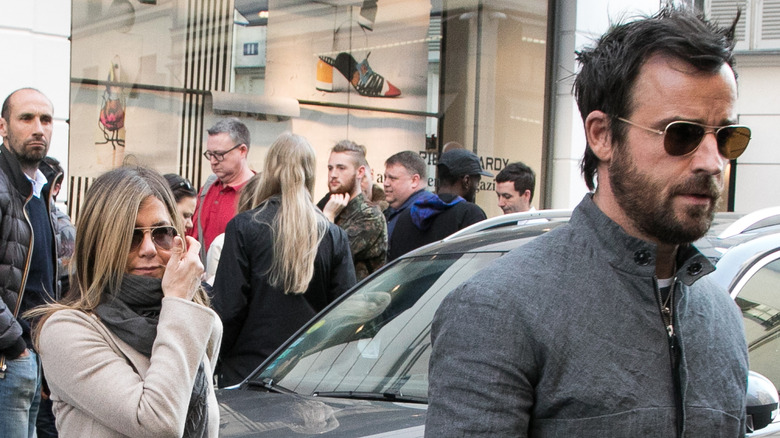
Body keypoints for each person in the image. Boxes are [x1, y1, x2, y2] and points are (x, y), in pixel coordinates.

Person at [426, 6, 752, 436]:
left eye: (727, 137)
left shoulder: (722, 316)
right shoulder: (499, 309)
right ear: (601, 135)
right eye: (682, 134)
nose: (713, 162)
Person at [32, 166, 222, 437]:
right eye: (130, 236)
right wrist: (179, 303)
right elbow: (159, 423)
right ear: (100, 243)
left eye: (161, 233)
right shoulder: (66, 330)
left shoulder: (194, 318)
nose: (148, 249)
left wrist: (181, 305)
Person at [213, 133, 356, 387]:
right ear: (311, 173)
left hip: (248, 372)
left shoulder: (244, 227)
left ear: (270, 170)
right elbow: (344, 316)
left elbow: (228, 309)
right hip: (308, 374)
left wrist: (219, 359)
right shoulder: (334, 236)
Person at [0, 88, 60, 438]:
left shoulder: (39, 190)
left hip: (33, 357)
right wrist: (16, 345)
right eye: (27, 118)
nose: (38, 128)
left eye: (46, 120)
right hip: (10, 358)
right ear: (3, 127)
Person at [388, 148, 490, 260]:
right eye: (477, 181)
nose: (477, 187)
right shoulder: (470, 214)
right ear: (466, 181)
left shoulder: (407, 215)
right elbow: (477, 263)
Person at [318, 140, 387, 281]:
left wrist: (328, 217)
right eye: (330, 168)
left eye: (341, 168)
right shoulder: (329, 206)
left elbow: (327, 258)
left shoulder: (370, 215)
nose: (333, 174)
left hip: (356, 300)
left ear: (360, 172)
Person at [188, 118, 255, 260]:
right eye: (210, 154)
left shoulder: (258, 194)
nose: (213, 161)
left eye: (219, 155)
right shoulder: (207, 189)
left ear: (242, 150)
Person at [382, 151, 427, 242]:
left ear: (414, 180)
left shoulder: (422, 213)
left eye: (392, 178)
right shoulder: (393, 210)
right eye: (385, 177)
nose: (385, 183)